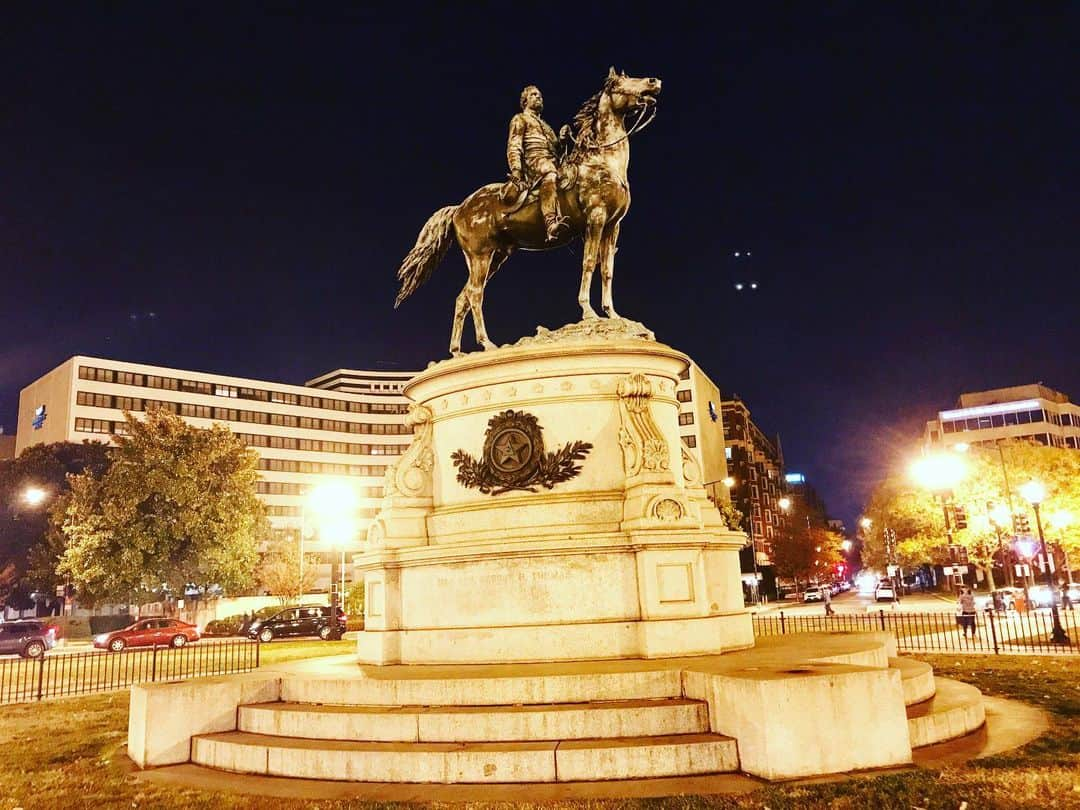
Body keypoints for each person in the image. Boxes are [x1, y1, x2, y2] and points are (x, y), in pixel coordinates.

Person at [507, 85, 570, 242]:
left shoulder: (547, 127)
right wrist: (516, 170)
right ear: (525, 101)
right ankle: (550, 222)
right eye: (534, 95)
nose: (538, 97)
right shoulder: (520, 119)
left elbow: (556, 150)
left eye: (540, 95)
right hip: (533, 161)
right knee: (550, 172)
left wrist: (562, 140)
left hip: (551, 160)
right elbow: (514, 145)